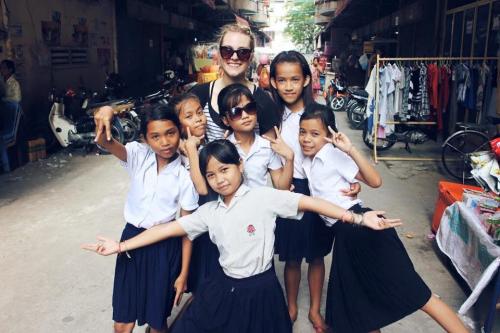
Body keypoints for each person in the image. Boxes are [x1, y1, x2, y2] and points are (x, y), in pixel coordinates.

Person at [82, 139, 402, 333]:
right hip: (222, 287)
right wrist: (121, 245)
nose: (219, 179)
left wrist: (358, 217)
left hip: (261, 290)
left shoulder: (264, 197)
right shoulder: (210, 213)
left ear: (240, 165)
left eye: (225, 170)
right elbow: (167, 229)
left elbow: (311, 202)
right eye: (211, 174)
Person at [298, 103, 469, 333]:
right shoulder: (309, 159)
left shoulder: (332, 155)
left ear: (330, 135)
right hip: (347, 237)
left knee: (416, 293)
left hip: (364, 228)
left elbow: (376, 181)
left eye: (315, 134)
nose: (306, 139)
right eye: (302, 132)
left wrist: (350, 150)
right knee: (362, 305)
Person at [268, 50, 359, 332]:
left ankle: (315, 310)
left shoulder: (318, 113)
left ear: (306, 79)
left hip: (320, 190)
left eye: (295, 79)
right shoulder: (271, 117)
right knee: (292, 256)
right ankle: (292, 306)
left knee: (317, 254)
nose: (289, 86)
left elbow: (336, 152)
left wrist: (351, 183)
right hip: (291, 189)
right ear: (272, 82)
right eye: (282, 80)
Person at [92, 104, 199, 333]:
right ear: (145, 139)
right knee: (123, 320)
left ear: (179, 131)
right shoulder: (138, 156)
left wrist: (183, 274)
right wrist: (106, 111)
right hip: (131, 241)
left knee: (157, 320)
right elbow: (104, 141)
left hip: (164, 248)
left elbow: (187, 228)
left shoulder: (185, 173)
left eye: (170, 133)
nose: (165, 142)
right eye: (156, 136)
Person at [189, 23, 280, 142]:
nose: (234, 57)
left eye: (243, 52)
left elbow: (271, 151)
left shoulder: (263, 101)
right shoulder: (199, 94)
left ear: (251, 57)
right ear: (219, 54)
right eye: (227, 51)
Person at [170, 93, 221, 295]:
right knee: (202, 278)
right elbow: (201, 189)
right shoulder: (177, 153)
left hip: (214, 223)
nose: (198, 119)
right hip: (195, 227)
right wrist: (190, 150)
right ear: (178, 124)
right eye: (189, 116)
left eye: (200, 113)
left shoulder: (209, 146)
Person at [218, 83, 293, 189]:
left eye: (250, 108)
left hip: (261, 204)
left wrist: (290, 158)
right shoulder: (222, 150)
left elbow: (282, 188)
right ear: (225, 120)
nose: (245, 116)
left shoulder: (267, 147)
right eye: (236, 112)